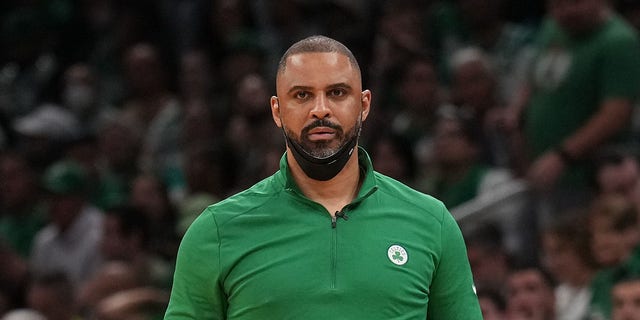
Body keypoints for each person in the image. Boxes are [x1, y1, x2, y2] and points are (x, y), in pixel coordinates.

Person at [164, 35, 482, 319]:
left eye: (337, 93)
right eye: (302, 95)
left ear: (364, 104)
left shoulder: (431, 223)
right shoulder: (216, 231)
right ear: (277, 110)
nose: (320, 109)